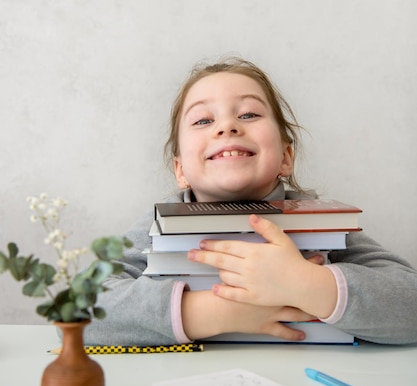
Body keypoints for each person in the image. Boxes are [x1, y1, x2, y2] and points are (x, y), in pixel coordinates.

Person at [85, 56, 417, 346]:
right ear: (180, 169)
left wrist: (305, 284)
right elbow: (78, 306)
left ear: (286, 156)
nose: (227, 126)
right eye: (203, 120)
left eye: (248, 114)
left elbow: (410, 302)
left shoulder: (322, 223)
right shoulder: (157, 227)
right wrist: (216, 312)